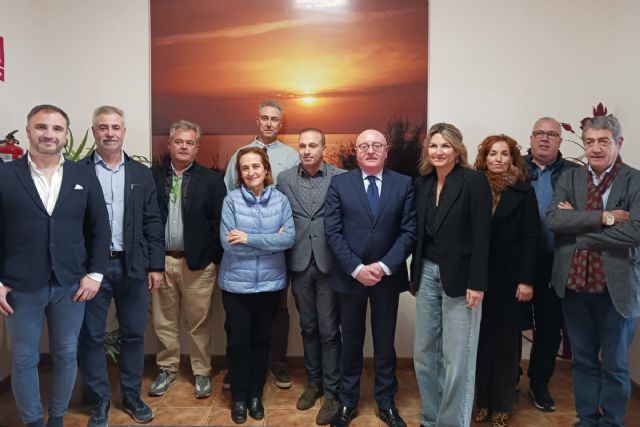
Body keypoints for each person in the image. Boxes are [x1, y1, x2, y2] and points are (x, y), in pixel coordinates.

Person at [0, 104, 110, 427]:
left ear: (66, 134)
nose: (49, 134)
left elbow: (99, 228)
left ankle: (57, 419)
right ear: (29, 130)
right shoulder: (5, 175)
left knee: (65, 354)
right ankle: (33, 422)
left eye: (57, 128)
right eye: (41, 127)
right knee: (24, 358)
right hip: (20, 287)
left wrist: (95, 274)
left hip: (71, 285)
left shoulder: (82, 175)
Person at [546, 114, 640, 427]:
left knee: (614, 363)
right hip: (575, 286)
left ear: (618, 143)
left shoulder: (635, 180)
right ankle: (587, 419)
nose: (595, 148)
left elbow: (636, 231)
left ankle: (611, 422)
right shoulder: (569, 178)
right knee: (583, 360)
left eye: (603, 141)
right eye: (590, 142)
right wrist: (606, 217)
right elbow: (554, 220)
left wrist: (580, 232)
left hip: (617, 288)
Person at [78, 105, 165, 427]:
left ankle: (131, 396)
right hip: (92, 271)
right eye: (103, 127)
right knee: (91, 336)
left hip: (133, 267)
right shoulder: (77, 171)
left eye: (115, 127)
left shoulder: (141, 174)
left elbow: (153, 221)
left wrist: (155, 265)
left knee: (133, 335)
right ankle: (99, 401)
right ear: (94, 131)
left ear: (124, 132)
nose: (110, 133)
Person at [324, 129, 416, 427]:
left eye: (377, 145)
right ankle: (347, 401)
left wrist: (384, 266)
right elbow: (332, 231)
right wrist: (356, 269)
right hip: (350, 278)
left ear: (387, 151)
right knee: (351, 342)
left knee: (385, 343)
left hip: (386, 278)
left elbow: (409, 231)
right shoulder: (340, 184)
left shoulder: (403, 184)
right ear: (356, 152)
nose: (370, 150)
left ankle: (386, 402)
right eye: (364, 146)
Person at [411, 123, 492, 427]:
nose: (439, 151)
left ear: (457, 150)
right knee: (424, 354)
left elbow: (482, 235)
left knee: (457, 358)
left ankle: (452, 422)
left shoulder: (474, 181)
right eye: (433, 145)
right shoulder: (422, 183)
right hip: (427, 273)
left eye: (445, 145)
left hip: (462, 278)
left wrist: (477, 282)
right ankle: (431, 419)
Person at [148, 120, 226, 399]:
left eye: (189, 143)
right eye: (178, 141)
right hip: (161, 263)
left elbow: (220, 223)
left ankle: (201, 371)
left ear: (196, 148)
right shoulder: (153, 177)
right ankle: (167, 368)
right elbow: (145, 219)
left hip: (199, 265)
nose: (183, 146)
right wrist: (151, 261)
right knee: (163, 321)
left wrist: (212, 258)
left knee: (198, 323)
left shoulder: (212, 180)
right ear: (169, 145)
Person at [223, 99, 299, 389]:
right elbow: (230, 194)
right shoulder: (240, 154)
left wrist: (275, 236)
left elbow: (291, 201)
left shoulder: (291, 156)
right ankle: (238, 368)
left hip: (276, 254)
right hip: (243, 257)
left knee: (277, 309)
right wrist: (266, 236)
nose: (269, 123)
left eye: (274, 119)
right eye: (264, 118)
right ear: (258, 121)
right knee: (239, 322)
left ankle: (276, 362)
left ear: (281, 123)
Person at [218, 147, 295, 424]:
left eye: (256, 166)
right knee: (239, 343)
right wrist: (271, 240)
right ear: (240, 173)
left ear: (266, 170)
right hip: (236, 285)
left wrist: (249, 237)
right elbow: (229, 244)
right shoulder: (231, 201)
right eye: (245, 168)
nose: (251, 172)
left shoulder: (281, 200)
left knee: (262, 342)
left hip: (270, 285)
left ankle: (255, 395)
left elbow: (289, 239)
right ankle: (239, 397)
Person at [277, 128, 345, 425]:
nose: (306, 150)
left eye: (313, 145)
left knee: (329, 330)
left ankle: (332, 392)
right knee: (308, 327)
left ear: (323, 149)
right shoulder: (285, 179)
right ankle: (314, 383)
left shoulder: (341, 178)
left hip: (331, 264)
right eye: (302, 145)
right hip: (299, 262)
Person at [473, 135, 539, 427]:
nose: (498, 159)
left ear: (513, 158)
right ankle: (482, 402)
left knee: (506, 346)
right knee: (480, 344)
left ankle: (501, 405)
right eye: (492, 154)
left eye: (504, 154)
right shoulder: (473, 187)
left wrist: (526, 280)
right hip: (478, 279)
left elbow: (530, 237)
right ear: (484, 158)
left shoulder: (524, 191)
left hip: (511, 281)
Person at [524, 116, 579, 412]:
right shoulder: (514, 168)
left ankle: (539, 383)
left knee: (548, 326)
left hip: (556, 261)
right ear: (531, 138)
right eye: (539, 133)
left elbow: (588, 214)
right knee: (509, 324)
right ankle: (506, 379)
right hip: (517, 262)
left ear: (560, 140)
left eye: (551, 134)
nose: (545, 139)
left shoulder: (575, 173)